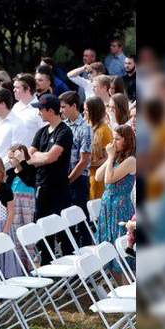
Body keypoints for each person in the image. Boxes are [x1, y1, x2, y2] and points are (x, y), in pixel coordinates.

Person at [16, 94, 75, 263]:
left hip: (59, 188)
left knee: (63, 229)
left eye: (40, 110)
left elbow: (51, 157)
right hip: (42, 187)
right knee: (42, 228)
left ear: (50, 110)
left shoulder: (64, 131)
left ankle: (69, 265)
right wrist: (36, 157)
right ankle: (47, 263)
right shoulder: (41, 132)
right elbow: (29, 156)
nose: (38, 113)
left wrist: (36, 157)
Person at [94, 125, 136, 273]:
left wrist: (111, 157)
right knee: (109, 252)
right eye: (113, 138)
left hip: (120, 208)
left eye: (117, 139)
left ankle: (127, 289)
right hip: (108, 207)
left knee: (121, 258)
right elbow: (98, 176)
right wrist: (110, 158)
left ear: (127, 141)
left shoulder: (131, 160)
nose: (113, 142)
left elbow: (109, 179)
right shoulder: (117, 157)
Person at [60, 91, 93, 246]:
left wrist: (69, 180)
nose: (62, 110)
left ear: (74, 106)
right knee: (67, 220)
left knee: (81, 218)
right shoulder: (64, 126)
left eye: (64, 107)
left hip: (79, 179)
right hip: (65, 178)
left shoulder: (85, 128)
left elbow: (84, 160)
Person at [6, 144, 37, 267]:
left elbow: (30, 181)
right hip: (14, 207)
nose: (10, 161)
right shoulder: (10, 172)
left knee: (27, 234)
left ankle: (29, 263)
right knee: (15, 235)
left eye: (12, 158)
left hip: (26, 206)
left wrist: (22, 162)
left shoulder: (30, 168)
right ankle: (17, 265)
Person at [85, 96, 113, 200]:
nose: (84, 113)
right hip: (87, 176)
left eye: (87, 110)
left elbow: (109, 157)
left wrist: (86, 162)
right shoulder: (88, 127)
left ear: (94, 111)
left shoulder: (104, 131)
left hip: (97, 178)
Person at [11, 74, 45, 145]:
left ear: (28, 88)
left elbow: (45, 136)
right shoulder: (15, 107)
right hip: (12, 153)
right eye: (14, 87)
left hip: (30, 154)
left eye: (17, 87)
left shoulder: (39, 109)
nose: (14, 90)